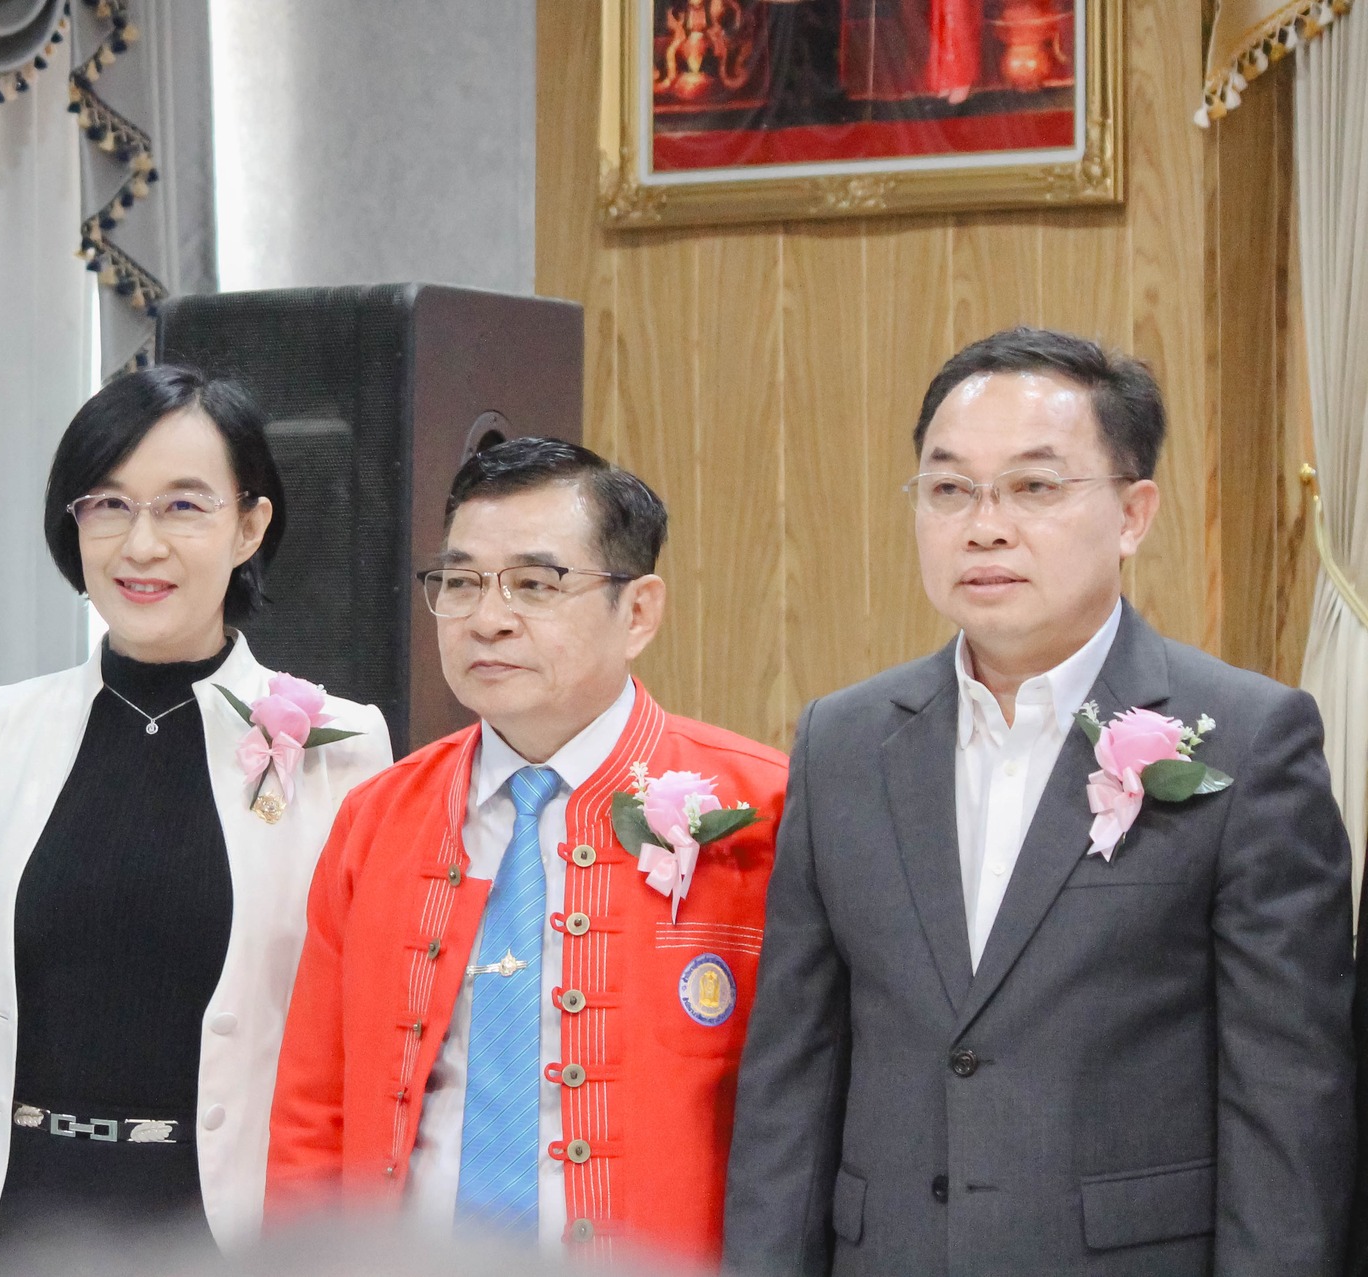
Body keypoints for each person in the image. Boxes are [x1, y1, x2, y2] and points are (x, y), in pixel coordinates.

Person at [723, 327, 1356, 1276]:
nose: (985, 526)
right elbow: (792, 1079)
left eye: (1034, 486)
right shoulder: (841, 742)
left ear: (1134, 514)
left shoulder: (1248, 737)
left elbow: (1289, 1102)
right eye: (949, 489)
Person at [0, 365, 394, 1276]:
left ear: (250, 525)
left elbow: (353, 1043)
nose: (140, 544)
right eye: (108, 504)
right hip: (4, 1232)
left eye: (183, 505)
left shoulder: (339, 745)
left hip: (216, 1237)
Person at [267, 438, 789, 1266]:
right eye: (461, 582)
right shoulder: (378, 819)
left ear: (639, 612)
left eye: (536, 584)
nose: (488, 618)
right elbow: (313, 1111)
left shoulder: (763, 810)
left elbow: (810, 1119)